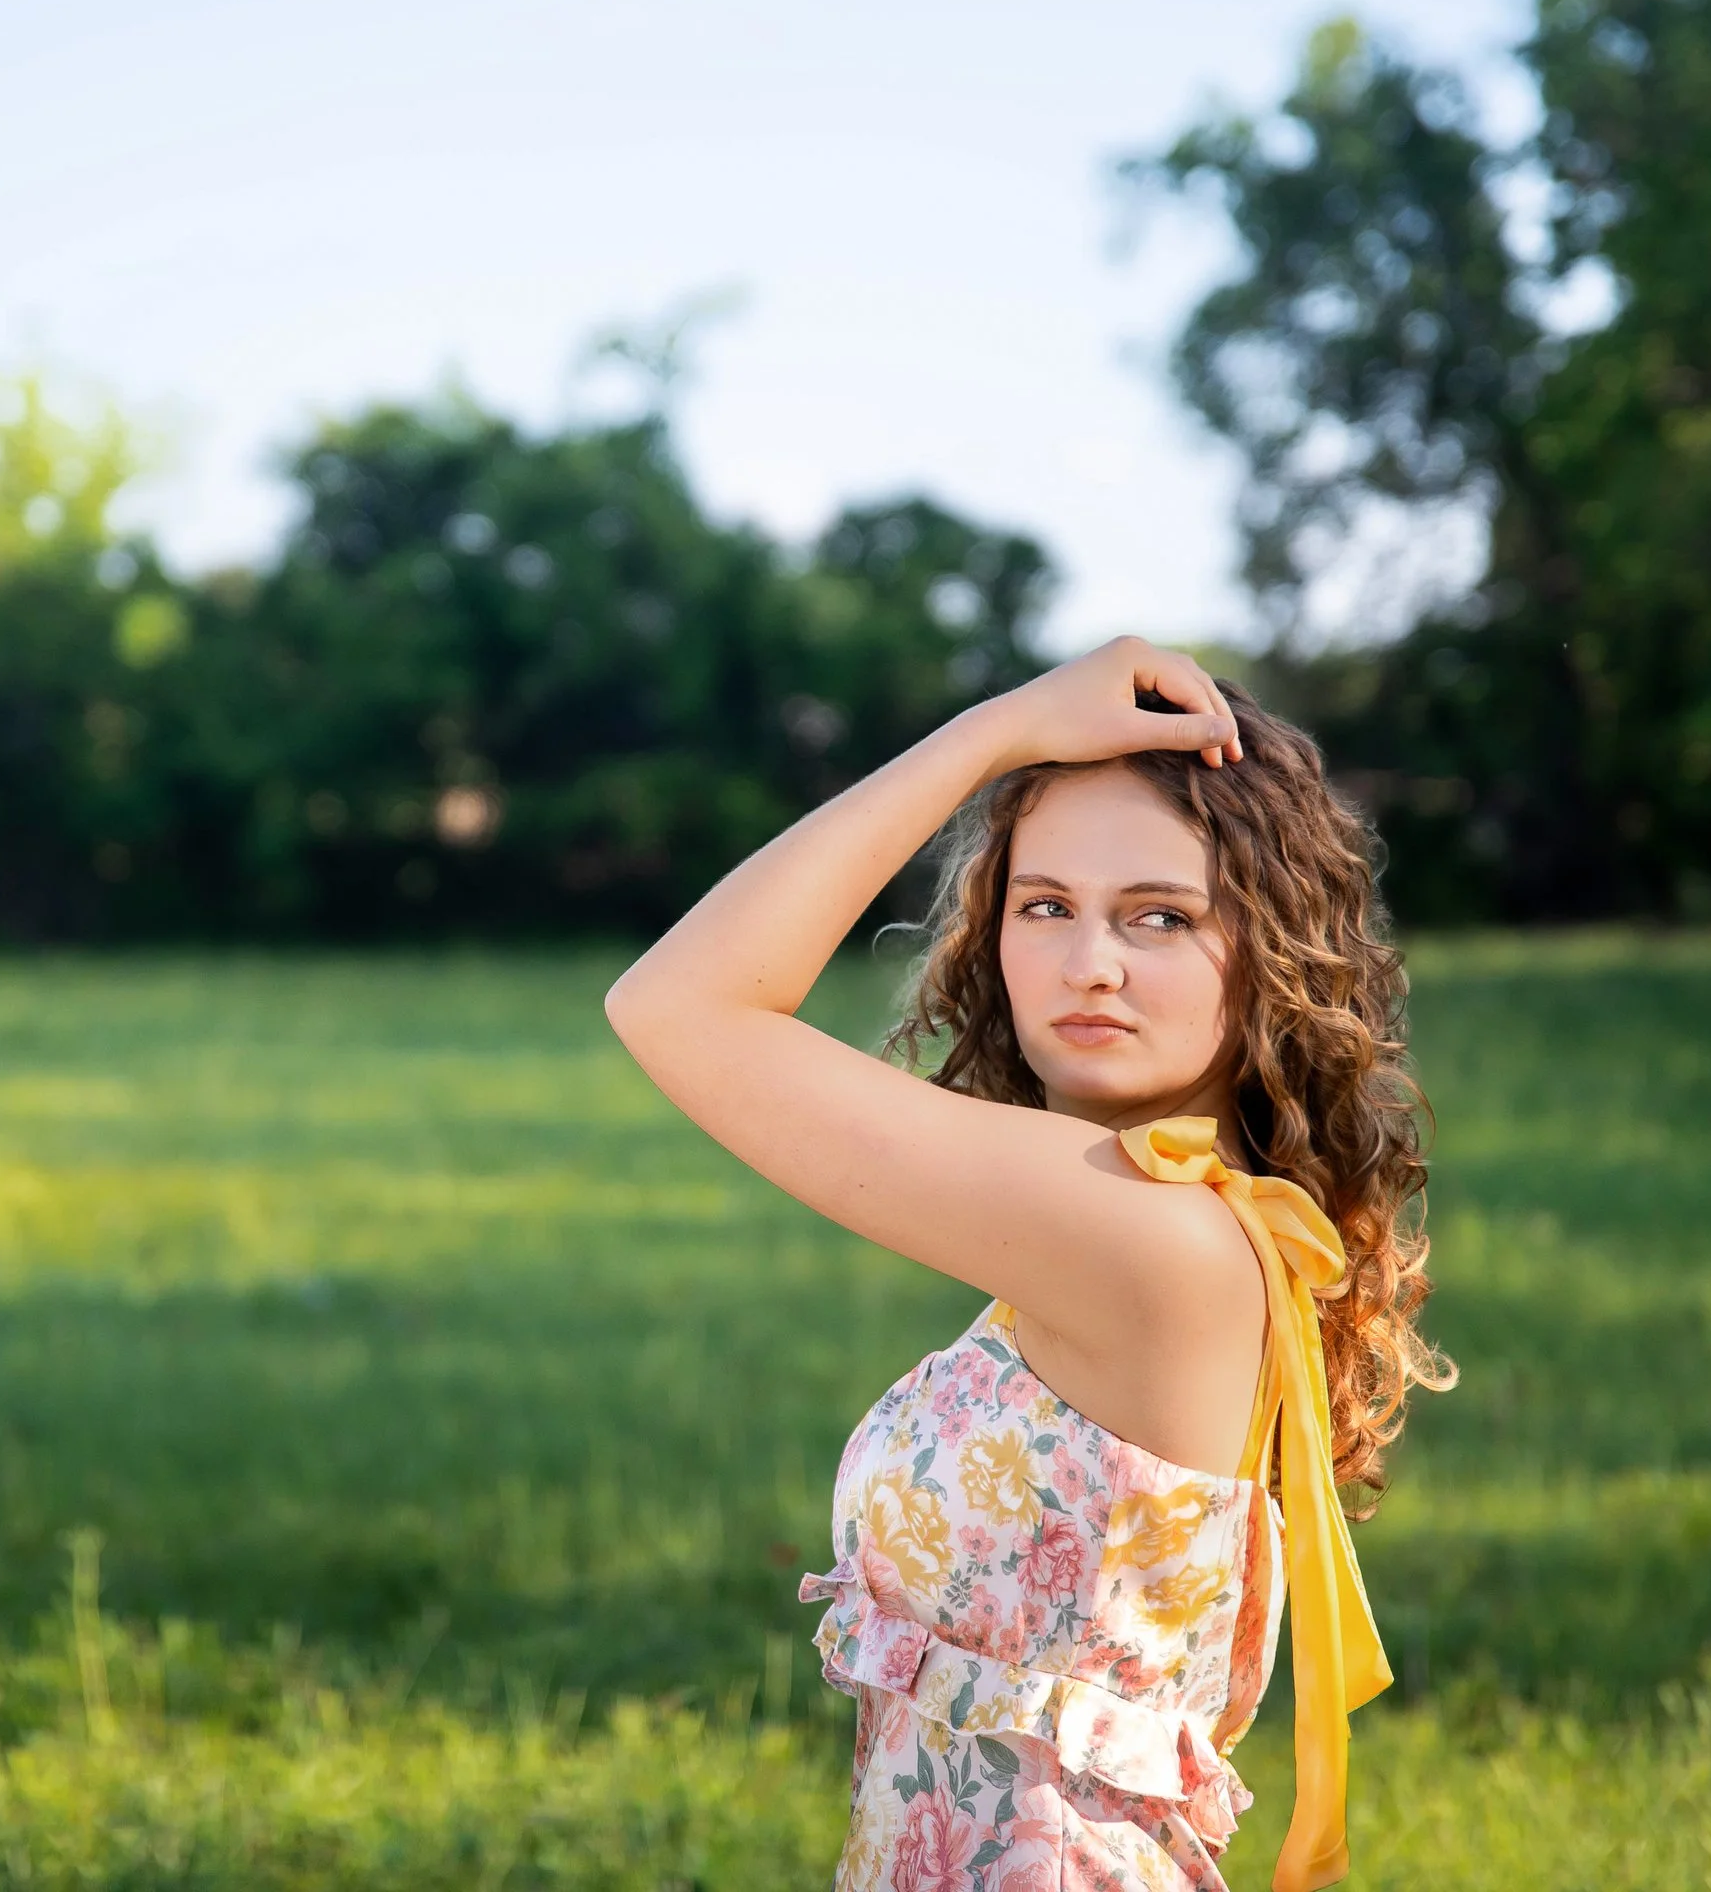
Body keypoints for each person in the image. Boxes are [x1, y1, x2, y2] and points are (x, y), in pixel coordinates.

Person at [606, 637, 1453, 1892]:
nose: (1087, 962)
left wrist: (990, 733)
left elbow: (678, 1003)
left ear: (1270, 952)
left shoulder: (1146, 1233)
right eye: (1044, 904)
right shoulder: (1170, 1211)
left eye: (1159, 916)